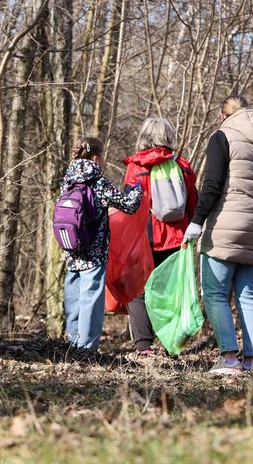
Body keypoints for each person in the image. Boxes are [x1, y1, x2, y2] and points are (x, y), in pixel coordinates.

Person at [183, 96, 253, 375]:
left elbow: (212, 184)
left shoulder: (221, 136)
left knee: (214, 293)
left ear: (222, 115)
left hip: (225, 227)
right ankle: (252, 360)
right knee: (247, 294)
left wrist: (197, 221)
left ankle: (228, 358)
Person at [121, 117, 198, 355]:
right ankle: (171, 343)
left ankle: (144, 346)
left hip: (145, 238)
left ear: (144, 137)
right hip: (177, 237)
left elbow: (128, 208)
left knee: (138, 290)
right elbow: (194, 203)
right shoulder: (183, 166)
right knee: (171, 291)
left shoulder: (136, 167)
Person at [60, 136, 143, 352]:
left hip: (72, 251)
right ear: (96, 159)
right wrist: (138, 187)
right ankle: (86, 350)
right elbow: (129, 206)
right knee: (91, 302)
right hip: (94, 252)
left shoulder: (68, 181)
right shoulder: (99, 183)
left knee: (74, 301)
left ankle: (71, 346)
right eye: (103, 156)